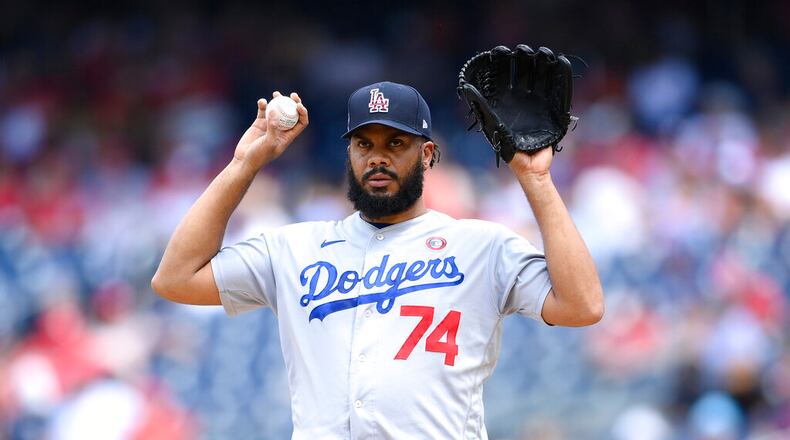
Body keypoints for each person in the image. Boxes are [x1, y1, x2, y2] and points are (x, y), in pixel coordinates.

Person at [152, 81, 604, 439]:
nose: (378, 158)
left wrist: (536, 179)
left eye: (395, 143)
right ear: (348, 153)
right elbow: (175, 279)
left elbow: (582, 306)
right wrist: (244, 164)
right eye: (364, 144)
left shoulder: (481, 246)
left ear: (427, 155)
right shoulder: (294, 249)